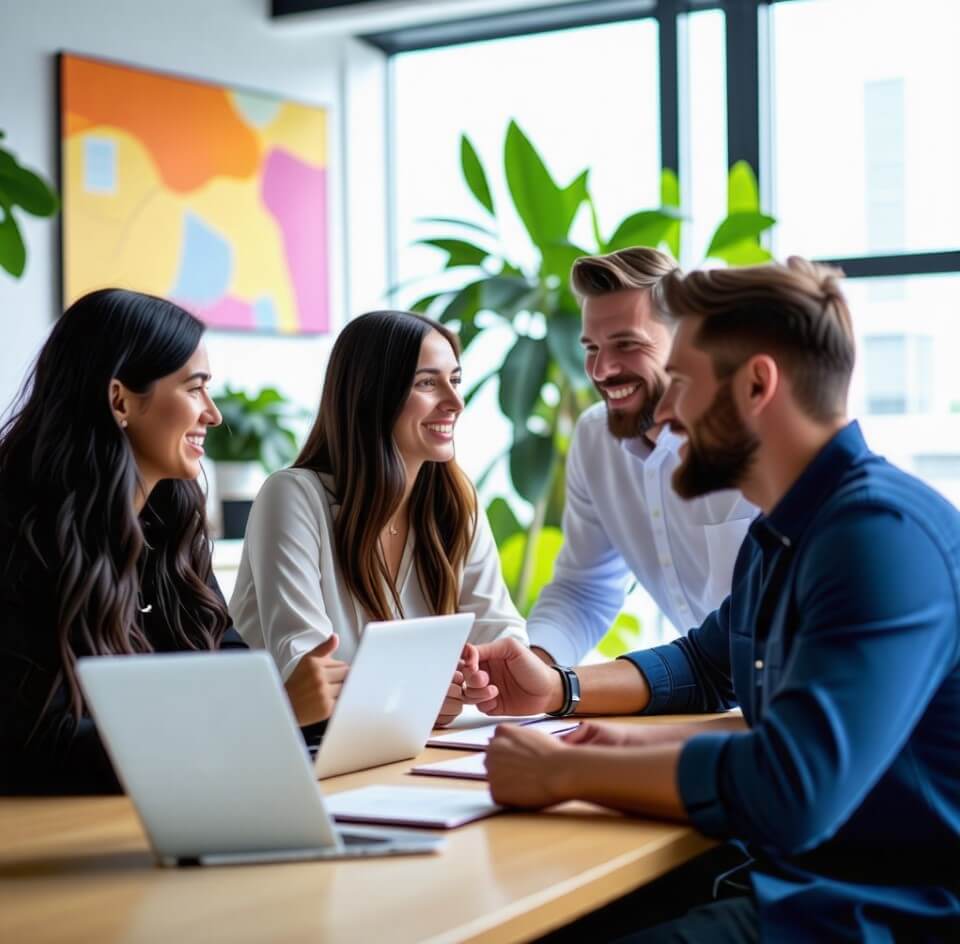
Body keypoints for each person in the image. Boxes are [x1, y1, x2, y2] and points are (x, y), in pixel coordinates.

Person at [464, 258, 960, 941]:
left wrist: (568, 772)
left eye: (685, 383)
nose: (665, 412)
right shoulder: (782, 533)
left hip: (880, 911)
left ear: (757, 384)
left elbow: (793, 786)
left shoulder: (877, 537)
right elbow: (702, 666)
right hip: (789, 878)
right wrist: (565, 694)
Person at [230, 310, 526, 733]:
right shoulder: (293, 498)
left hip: (402, 752)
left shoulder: (456, 504)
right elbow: (309, 675)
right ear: (372, 394)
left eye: (455, 380)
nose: (455, 402)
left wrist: (476, 677)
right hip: (296, 756)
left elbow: (501, 631)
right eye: (427, 383)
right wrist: (418, 693)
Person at [0, 289, 246, 795]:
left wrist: (326, 702)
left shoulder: (171, 521)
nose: (213, 414)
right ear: (121, 401)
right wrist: (241, 725)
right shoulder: (21, 535)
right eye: (195, 388)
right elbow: (33, 742)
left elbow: (232, 666)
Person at [525, 248, 755, 667]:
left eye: (627, 344)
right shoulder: (595, 439)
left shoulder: (753, 440)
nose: (601, 369)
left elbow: (749, 628)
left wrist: (573, 691)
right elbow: (583, 589)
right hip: (703, 701)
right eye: (591, 347)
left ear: (685, 341)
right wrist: (534, 666)